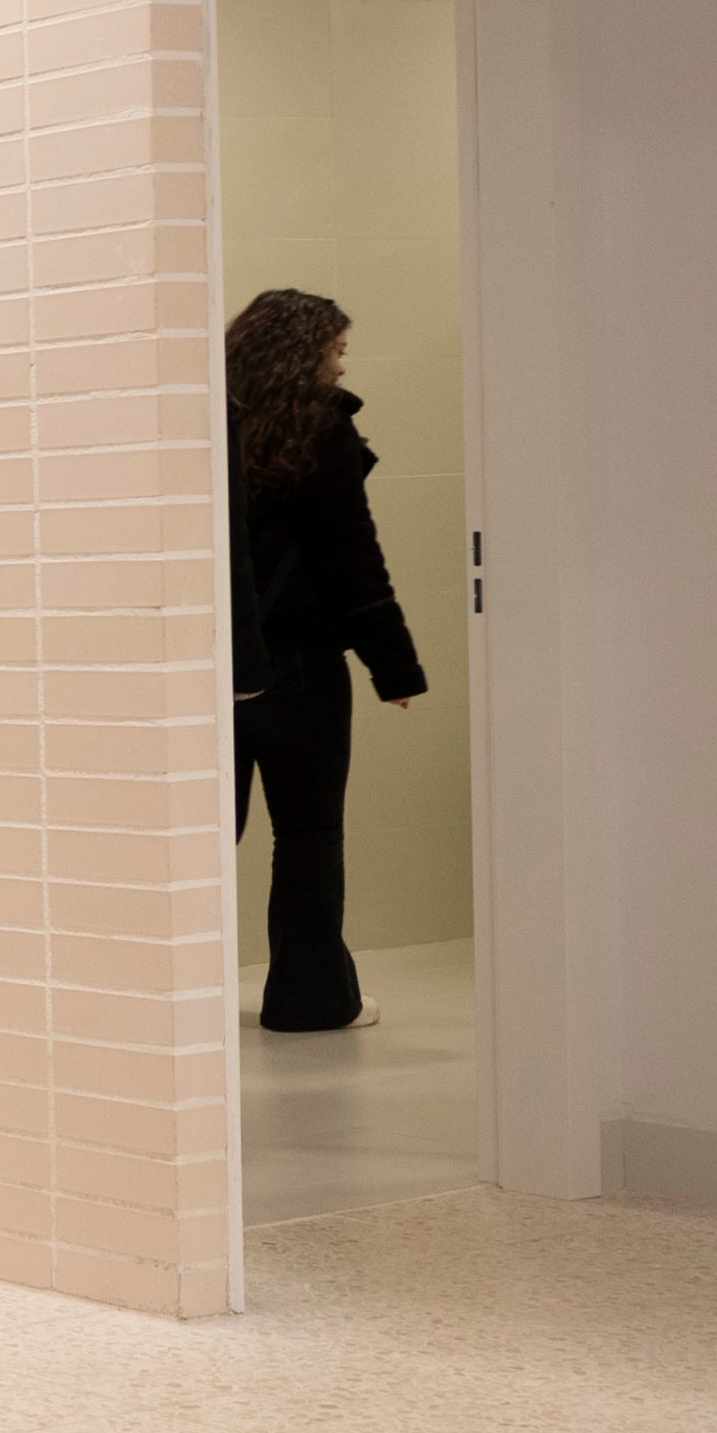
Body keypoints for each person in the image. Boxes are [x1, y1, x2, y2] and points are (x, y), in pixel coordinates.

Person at [225, 288, 425, 1032]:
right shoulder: (321, 431)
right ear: (305, 352)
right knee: (307, 835)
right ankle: (312, 1000)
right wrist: (394, 668)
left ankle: (176, 1004)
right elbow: (353, 559)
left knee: (204, 837)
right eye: (337, 350)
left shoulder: (205, 418)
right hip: (301, 665)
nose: (343, 365)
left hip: (209, 666)